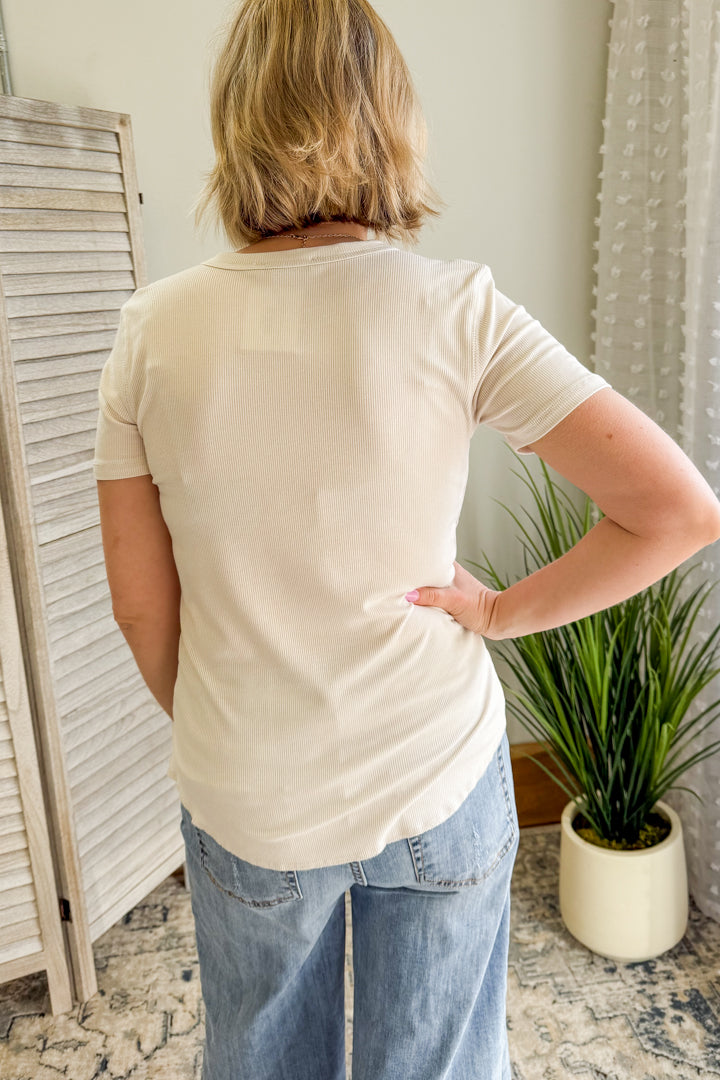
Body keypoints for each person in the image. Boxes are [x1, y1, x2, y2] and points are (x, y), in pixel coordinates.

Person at [92, 1, 720, 1078]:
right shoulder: (457, 308)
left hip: (250, 793)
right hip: (437, 777)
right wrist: (499, 613)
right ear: (391, 120)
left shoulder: (152, 331)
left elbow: (141, 606)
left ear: (237, 120)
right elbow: (679, 511)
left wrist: (227, 727)